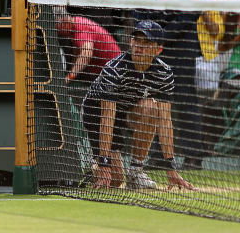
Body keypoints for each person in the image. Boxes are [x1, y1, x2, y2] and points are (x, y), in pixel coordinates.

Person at [82, 20, 194, 190]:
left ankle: (135, 171)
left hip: (126, 112)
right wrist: (105, 164)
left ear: (158, 49)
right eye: (137, 40)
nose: (139, 46)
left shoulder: (164, 74)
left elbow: (165, 121)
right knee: (115, 179)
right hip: (97, 114)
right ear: (131, 42)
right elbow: (107, 116)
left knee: (151, 107)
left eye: (147, 42)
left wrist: (171, 168)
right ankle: (92, 165)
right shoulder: (115, 69)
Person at [135, 0, 205, 165]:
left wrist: (161, 37)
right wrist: (146, 39)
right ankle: (157, 156)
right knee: (153, 100)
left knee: (185, 100)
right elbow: (138, 7)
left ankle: (194, 155)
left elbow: (191, 12)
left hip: (181, 48)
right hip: (152, 51)